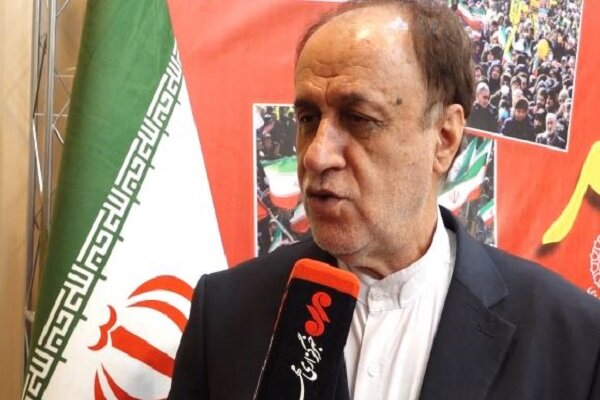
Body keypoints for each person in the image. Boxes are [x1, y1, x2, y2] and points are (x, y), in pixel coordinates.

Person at [169, 1, 600, 399]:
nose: (316, 155)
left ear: (444, 138)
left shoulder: (573, 338)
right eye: (308, 118)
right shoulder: (224, 314)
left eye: (359, 118)